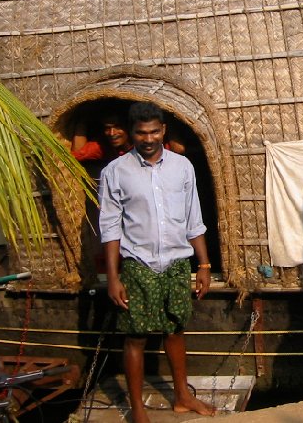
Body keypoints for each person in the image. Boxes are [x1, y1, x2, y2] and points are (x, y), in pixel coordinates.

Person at [98, 101, 215, 422]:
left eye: (153, 132)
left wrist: (203, 266)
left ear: (163, 131)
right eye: (140, 133)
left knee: (175, 330)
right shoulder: (116, 172)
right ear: (131, 133)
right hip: (138, 265)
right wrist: (113, 277)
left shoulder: (182, 167)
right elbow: (109, 226)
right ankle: (137, 409)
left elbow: (194, 220)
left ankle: (182, 397)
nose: (147, 139)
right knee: (136, 336)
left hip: (177, 264)